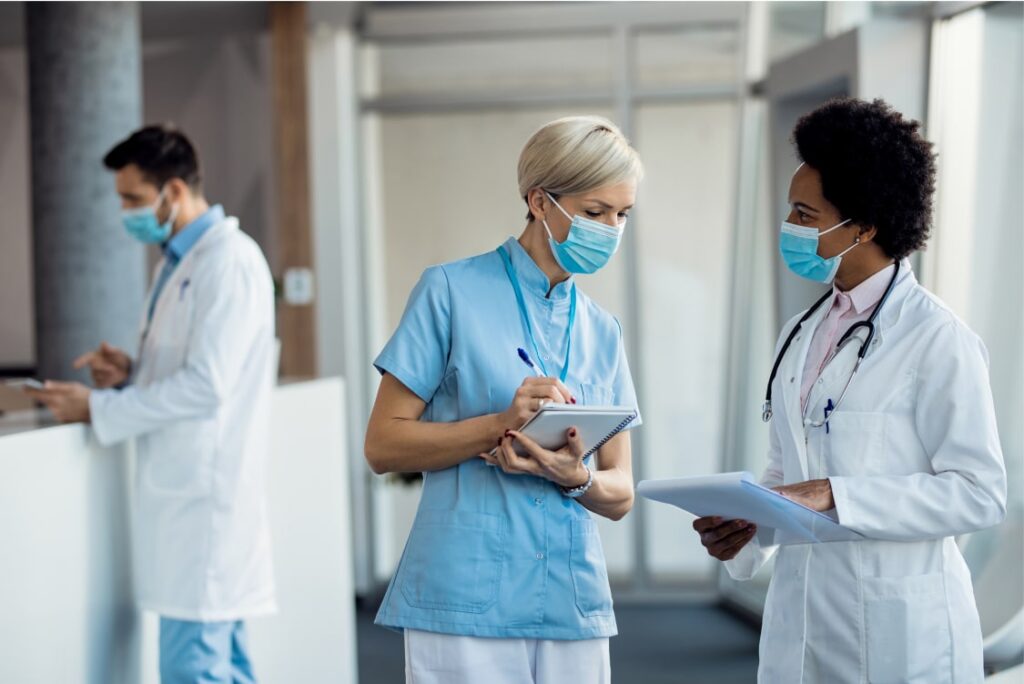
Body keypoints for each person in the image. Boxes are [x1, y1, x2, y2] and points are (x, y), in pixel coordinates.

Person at [692, 98, 1007, 683]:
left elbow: (978, 493)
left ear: (864, 224)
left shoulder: (938, 340)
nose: (790, 227)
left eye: (805, 214)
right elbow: (789, 471)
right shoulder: (801, 332)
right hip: (802, 622)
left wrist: (838, 495)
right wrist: (749, 528)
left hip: (901, 635)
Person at [363, 115, 643, 684]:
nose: (611, 229)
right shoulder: (449, 291)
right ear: (540, 202)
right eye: (595, 212)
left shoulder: (602, 330)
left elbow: (620, 493)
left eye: (622, 215)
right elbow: (383, 444)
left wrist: (575, 478)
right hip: (464, 596)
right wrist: (498, 424)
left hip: (571, 599)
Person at [27, 125, 276, 684]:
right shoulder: (177, 262)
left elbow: (210, 386)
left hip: (206, 503)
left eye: (134, 199)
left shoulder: (228, 262)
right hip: (188, 502)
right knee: (222, 667)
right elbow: (196, 370)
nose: (126, 212)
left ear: (175, 191)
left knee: (195, 670)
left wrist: (97, 408)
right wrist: (132, 372)